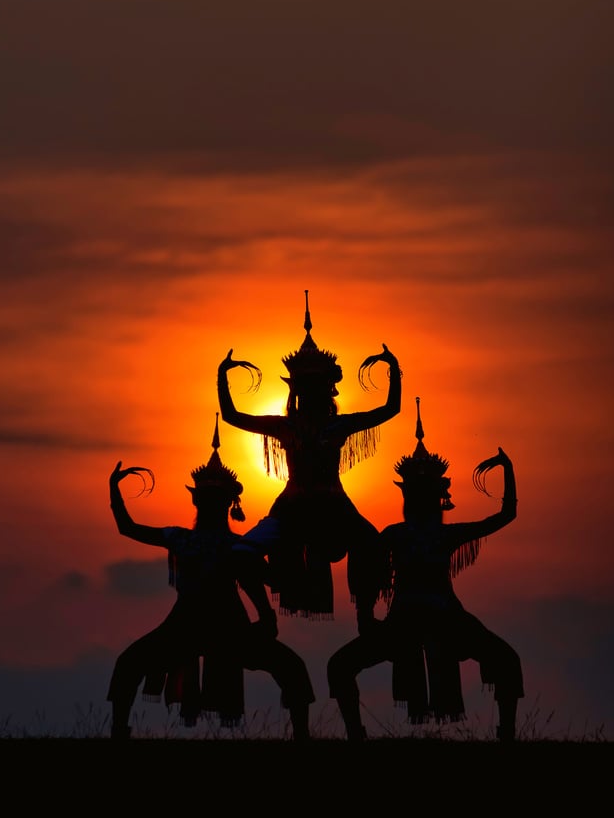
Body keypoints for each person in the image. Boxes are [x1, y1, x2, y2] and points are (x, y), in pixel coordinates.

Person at [106, 414, 315, 740]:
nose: (210, 506)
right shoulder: (229, 544)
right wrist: (114, 493)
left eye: (213, 501)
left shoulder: (217, 543)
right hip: (206, 623)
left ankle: (302, 734)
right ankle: (119, 732)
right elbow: (128, 529)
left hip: (206, 623)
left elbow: (259, 580)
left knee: (130, 664)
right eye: (208, 501)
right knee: (291, 667)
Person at [327, 397, 524, 742]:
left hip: (432, 619)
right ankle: (356, 736)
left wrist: (508, 471)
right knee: (506, 661)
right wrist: (365, 612)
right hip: (423, 620)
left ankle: (506, 736)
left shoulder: (407, 535)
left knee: (507, 661)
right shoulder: (412, 535)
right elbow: (364, 564)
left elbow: (505, 517)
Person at [217, 289, 402, 621]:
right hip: (292, 508)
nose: (310, 393)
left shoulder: (338, 426)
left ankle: (365, 614)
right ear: (297, 390)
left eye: (316, 387)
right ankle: (265, 613)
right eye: (305, 387)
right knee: (241, 553)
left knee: (376, 548)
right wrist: (223, 377)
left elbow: (391, 409)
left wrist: (393, 370)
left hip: (335, 506)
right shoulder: (286, 427)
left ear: (327, 389)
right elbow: (232, 416)